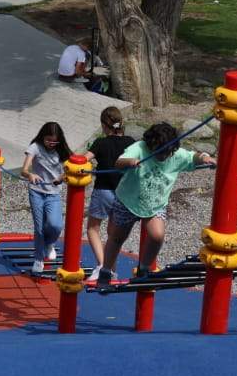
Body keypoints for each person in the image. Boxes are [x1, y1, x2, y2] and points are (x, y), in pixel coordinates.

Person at [104, 122, 216, 277]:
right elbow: (119, 162)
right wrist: (129, 162)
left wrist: (205, 158)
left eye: (167, 152)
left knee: (157, 235)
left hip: (155, 205)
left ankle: (144, 268)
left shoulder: (176, 154)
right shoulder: (140, 148)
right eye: (159, 152)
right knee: (117, 238)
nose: (163, 156)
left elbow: (192, 156)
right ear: (150, 146)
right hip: (127, 202)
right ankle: (106, 270)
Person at [86, 106, 130, 284]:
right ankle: (111, 268)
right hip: (123, 193)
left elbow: (83, 159)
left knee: (93, 228)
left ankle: (103, 266)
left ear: (104, 125)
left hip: (103, 191)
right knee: (113, 234)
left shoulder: (100, 143)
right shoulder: (131, 142)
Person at [21, 122, 72, 272]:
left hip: (53, 193)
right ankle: (38, 259)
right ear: (43, 137)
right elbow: (24, 170)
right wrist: (30, 174)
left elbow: (70, 169)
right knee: (39, 227)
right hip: (36, 191)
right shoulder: (35, 147)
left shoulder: (62, 150)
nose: (51, 144)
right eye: (48, 140)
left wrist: (61, 177)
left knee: (55, 225)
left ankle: (49, 243)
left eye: (54, 141)